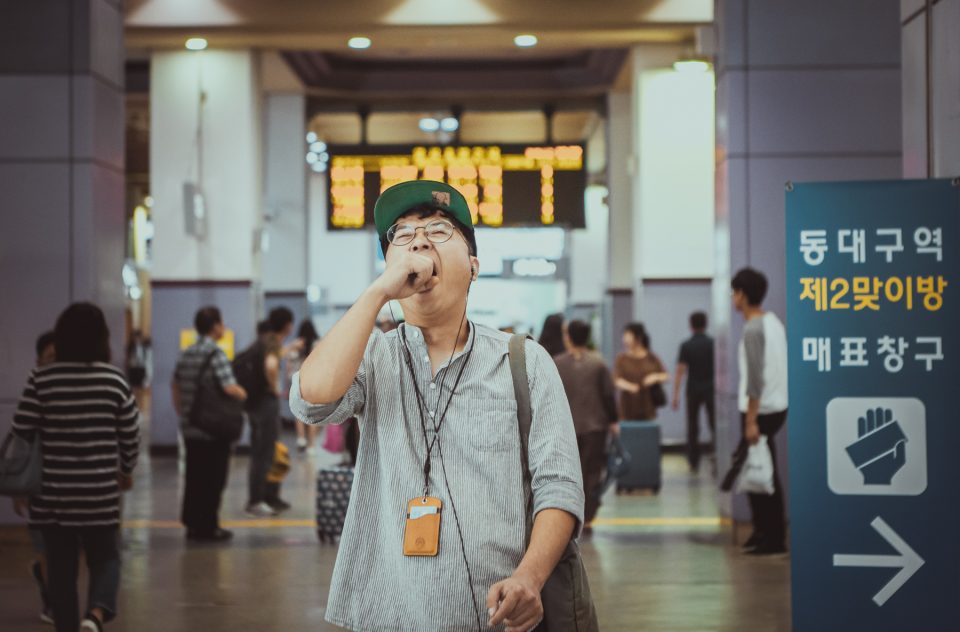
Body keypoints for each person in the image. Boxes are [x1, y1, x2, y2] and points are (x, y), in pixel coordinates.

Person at [291, 180, 584, 631]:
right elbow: (312, 400)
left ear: (473, 265)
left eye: (439, 230)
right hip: (386, 614)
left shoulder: (523, 362)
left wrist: (529, 577)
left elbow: (559, 485)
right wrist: (377, 295)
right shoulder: (372, 358)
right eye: (402, 237)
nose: (420, 241)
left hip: (496, 616)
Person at [12, 303, 140, 632]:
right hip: (98, 493)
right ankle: (94, 616)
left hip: (52, 496)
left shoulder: (41, 379)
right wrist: (125, 470)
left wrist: (20, 483)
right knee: (106, 558)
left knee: (61, 569)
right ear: (102, 339)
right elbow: (130, 434)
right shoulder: (113, 380)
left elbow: (21, 432)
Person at [172, 306, 247, 542]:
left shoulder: (187, 352)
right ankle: (209, 527)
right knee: (214, 479)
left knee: (194, 479)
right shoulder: (216, 354)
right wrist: (243, 393)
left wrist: (183, 412)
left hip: (190, 427)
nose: (224, 327)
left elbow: (175, 385)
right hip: (213, 430)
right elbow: (228, 387)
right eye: (222, 322)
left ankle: (193, 525)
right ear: (215, 326)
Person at [732, 267, 788, 555]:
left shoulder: (753, 329)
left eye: (734, 291)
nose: (733, 297)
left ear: (742, 294)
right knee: (760, 467)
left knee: (764, 472)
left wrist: (751, 419)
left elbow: (755, 377)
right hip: (776, 406)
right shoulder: (774, 323)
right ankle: (763, 531)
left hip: (760, 409)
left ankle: (772, 536)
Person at [553, 319, 617, 533]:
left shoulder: (557, 363)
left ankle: (570, 514)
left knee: (570, 472)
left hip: (566, 427)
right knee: (592, 472)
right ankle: (588, 515)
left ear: (568, 337)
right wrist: (614, 421)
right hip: (595, 427)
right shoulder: (598, 363)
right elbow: (608, 396)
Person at [245, 306, 295, 516]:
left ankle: (269, 496)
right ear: (287, 325)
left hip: (256, 404)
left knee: (268, 451)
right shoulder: (272, 341)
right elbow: (272, 365)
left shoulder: (266, 340)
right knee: (264, 453)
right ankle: (257, 500)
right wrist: (274, 389)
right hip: (265, 403)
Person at [25, 331, 56, 624]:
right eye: (50, 358)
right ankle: (52, 603)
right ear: (38, 361)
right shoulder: (33, 392)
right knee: (47, 548)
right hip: (40, 485)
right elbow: (21, 443)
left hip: (71, 486)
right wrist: (19, 489)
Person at [672, 311, 716, 473]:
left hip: (693, 389)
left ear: (691, 325)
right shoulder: (713, 344)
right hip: (711, 388)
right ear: (706, 324)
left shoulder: (686, 345)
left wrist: (675, 395)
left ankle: (693, 460)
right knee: (714, 424)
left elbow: (680, 371)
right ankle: (716, 455)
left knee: (692, 425)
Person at [613, 322, 669, 421]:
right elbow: (616, 380)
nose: (624, 340)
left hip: (648, 408)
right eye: (624, 336)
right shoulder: (622, 358)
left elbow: (666, 376)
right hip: (627, 409)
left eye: (627, 336)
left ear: (638, 338)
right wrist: (630, 387)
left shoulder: (651, 357)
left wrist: (655, 377)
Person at [288, 320, 321, 452]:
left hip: (298, 381)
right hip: (314, 381)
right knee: (313, 413)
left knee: (298, 412)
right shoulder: (318, 343)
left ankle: (301, 438)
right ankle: (311, 446)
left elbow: (290, 362)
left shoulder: (296, 344)